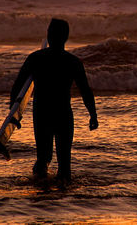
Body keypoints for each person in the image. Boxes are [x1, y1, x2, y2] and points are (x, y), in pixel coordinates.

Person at [9, 18, 98, 182]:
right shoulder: (72, 62)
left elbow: (17, 87)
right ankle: (62, 199)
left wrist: (13, 115)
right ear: (66, 37)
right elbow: (85, 91)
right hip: (63, 114)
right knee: (64, 166)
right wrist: (93, 115)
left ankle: (42, 196)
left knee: (43, 159)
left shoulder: (36, 58)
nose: (48, 34)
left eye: (50, 31)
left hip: (42, 113)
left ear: (51, 35)